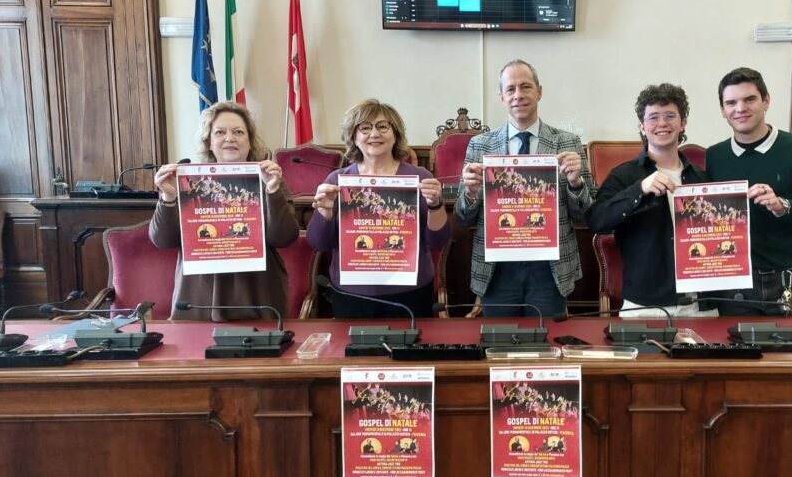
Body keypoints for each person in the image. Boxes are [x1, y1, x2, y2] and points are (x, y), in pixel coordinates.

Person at [456, 59, 594, 317]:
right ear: (501, 97)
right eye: (510, 89)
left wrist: (577, 184)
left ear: (539, 91)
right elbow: (463, 218)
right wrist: (471, 193)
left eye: (525, 87)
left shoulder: (568, 143)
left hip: (549, 270)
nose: (518, 95)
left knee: (548, 351)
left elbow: (586, 216)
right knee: (497, 350)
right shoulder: (479, 145)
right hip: (497, 270)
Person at [150, 101, 299, 321]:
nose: (230, 138)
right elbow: (162, 240)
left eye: (238, 132)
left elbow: (285, 237)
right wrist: (169, 197)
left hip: (257, 295)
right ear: (208, 141)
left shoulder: (269, 178)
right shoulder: (188, 182)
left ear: (250, 141)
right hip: (199, 297)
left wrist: (273, 189)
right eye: (220, 132)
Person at [307, 99, 452, 318]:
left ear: (395, 134)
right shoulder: (338, 180)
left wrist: (435, 205)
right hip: (353, 294)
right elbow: (319, 243)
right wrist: (325, 212)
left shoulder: (420, 177)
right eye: (365, 128)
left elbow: (438, 240)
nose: (374, 133)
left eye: (383, 126)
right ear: (354, 137)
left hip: (411, 292)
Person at [705, 67, 792, 315]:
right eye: (731, 102)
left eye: (750, 99)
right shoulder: (714, 156)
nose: (740, 108)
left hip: (790, 277)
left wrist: (782, 206)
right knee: (737, 353)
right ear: (722, 110)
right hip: (735, 280)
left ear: (766, 100)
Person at [586, 83, 712, 317]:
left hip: (699, 304)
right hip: (644, 304)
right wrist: (639, 190)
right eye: (653, 117)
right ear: (642, 127)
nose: (662, 123)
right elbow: (596, 220)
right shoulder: (623, 175)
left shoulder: (702, 177)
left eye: (670, 116)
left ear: (682, 123)